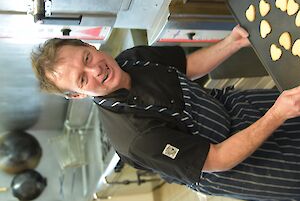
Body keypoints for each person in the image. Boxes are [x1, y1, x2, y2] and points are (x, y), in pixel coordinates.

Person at [31, 25, 300, 201]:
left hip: (231, 110)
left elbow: (189, 65)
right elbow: (218, 159)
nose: (95, 71)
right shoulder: (135, 138)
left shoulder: (133, 58)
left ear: (91, 47)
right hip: (231, 165)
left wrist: (232, 41)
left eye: (86, 59)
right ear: (78, 95)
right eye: (81, 79)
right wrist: (276, 115)